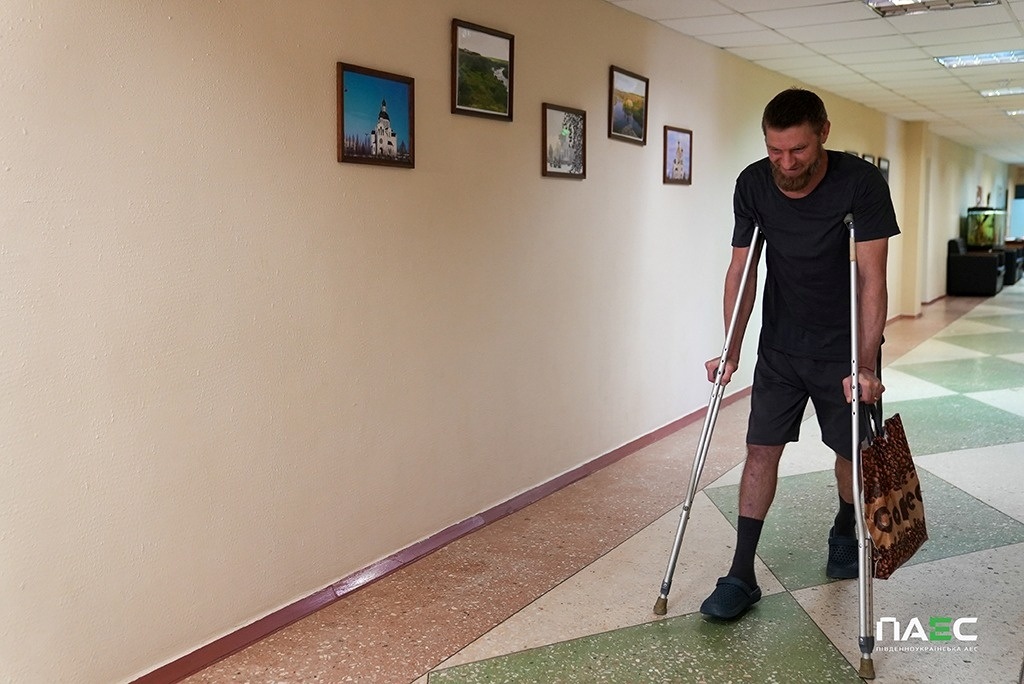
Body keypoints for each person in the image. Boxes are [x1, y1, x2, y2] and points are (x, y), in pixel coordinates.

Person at [698, 88, 900, 620]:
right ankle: (741, 573)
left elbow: (872, 280)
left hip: (845, 348)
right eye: (775, 150)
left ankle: (844, 525)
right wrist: (730, 349)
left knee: (850, 453)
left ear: (823, 133)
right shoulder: (753, 184)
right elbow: (741, 269)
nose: (786, 163)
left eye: (798, 150)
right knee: (760, 449)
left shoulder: (861, 184)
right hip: (781, 346)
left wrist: (866, 365)